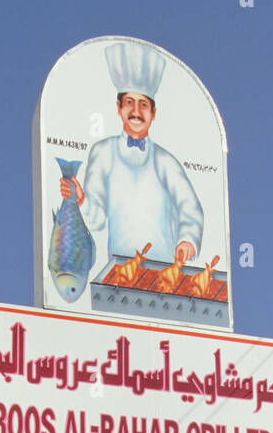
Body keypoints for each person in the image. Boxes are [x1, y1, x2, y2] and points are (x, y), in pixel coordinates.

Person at [59, 39, 204, 267]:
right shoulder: (103, 152)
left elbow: (190, 206)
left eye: (143, 105)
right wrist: (81, 199)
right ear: (118, 107)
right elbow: (96, 219)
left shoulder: (166, 161)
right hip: (119, 269)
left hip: (165, 272)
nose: (136, 111)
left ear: (153, 112)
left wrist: (187, 240)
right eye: (129, 102)